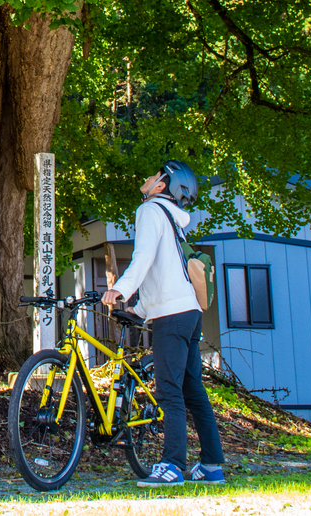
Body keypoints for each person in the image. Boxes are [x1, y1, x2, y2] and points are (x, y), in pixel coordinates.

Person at [101, 159, 225, 487]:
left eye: (154, 174)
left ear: (162, 185)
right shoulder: (173, 218)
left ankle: (172, 465)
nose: (147, 176)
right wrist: (140, 309)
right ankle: (212, 465)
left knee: (169, 391)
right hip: (190, 313)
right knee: (192, 390)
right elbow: (164, 271)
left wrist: (120, 290)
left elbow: (143, 258)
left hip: (172, 317)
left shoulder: (150, 210)